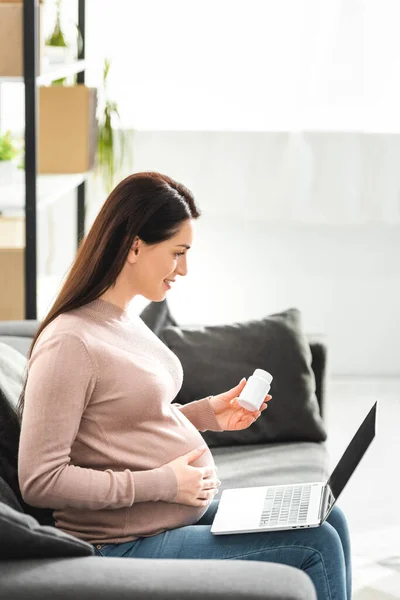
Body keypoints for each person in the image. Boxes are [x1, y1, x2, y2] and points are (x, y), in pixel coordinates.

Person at [17, 172, 351, 600]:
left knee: (328, 517)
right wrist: (165, 484)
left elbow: (125, 419)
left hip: (160, 520)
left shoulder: (121, 320)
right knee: (315, 542)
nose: (185, 269)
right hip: (118, 547)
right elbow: (41, 480)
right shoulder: (70, 342)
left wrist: (208, 413)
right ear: (135, 245)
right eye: (178, 252)